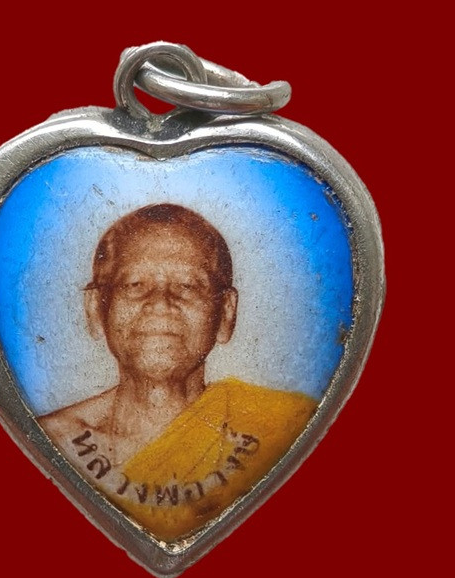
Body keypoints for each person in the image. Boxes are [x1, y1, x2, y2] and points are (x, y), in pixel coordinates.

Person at [39, 203, 316, 541]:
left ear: (226, 312)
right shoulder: (48, 444)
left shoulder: (289, 429)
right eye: (134, 284)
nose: (160, 303)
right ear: (96, 309)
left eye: (188, 286)